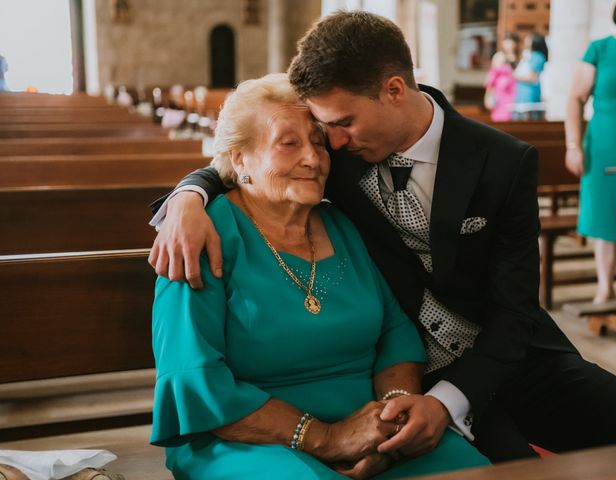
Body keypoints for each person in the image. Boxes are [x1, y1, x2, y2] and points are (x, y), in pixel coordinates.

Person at [149, 11, 616, 463]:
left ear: (394, 90)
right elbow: (248, 159)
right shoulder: (332, 159)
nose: (330, 146)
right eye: (325, 130)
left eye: (341, 125)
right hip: (413, 367)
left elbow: (514, 312)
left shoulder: (502, 162)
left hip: (507, 351)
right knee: (512, 468)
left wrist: (446, 404)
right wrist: (188, 197)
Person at [151, 73, 489, 479]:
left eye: (316, 141)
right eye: (288, 143)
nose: (312, 158)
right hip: (245, 437)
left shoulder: (342, 224)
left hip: (368, 425)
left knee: (473, 472)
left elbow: (396, 332)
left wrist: (391, 422)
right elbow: (195, 377)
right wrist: (326, 438)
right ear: (240, 159)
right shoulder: (200, 237)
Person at [565, 0, 616, 303]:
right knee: (606, 218)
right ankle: (604, 288)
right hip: (605, 145)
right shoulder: (600, 48)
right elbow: (575, 99)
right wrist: (573, 145)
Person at [484, 32, 518, 122]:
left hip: (515, 95)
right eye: (507, 42)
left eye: (511, 42)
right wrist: (487, 96)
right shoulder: (499, 56)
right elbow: (492, 78)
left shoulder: (518, 58)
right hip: (501, 96)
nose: (509, 44)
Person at [513, 33, 548, 120]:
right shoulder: (528, 55)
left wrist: (516, 76)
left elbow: (532, 77)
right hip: (523, 93)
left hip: (529, 93)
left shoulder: (538, 56)